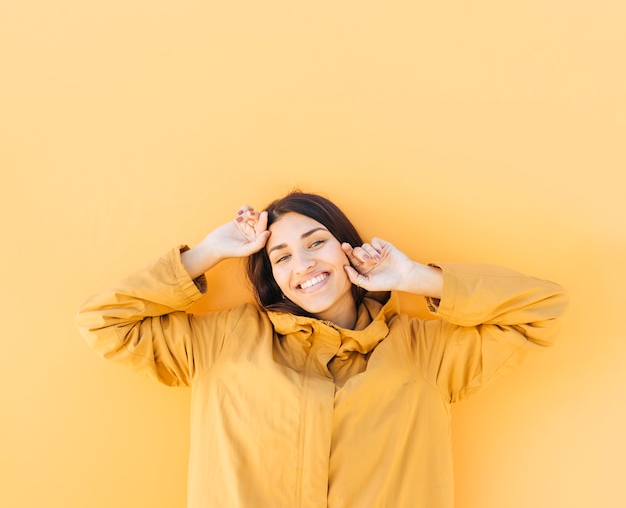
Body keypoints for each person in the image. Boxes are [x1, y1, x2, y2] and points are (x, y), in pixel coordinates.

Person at [76, 191, 567, 508]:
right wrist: (210, 251)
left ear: (347, 249)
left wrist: (415, 277)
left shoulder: (424, 353)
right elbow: (105, 322)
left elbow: (542, 308)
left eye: (316, 243)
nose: (303, 264)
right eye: (282, 256)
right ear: (273, 277)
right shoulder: (223, 342)